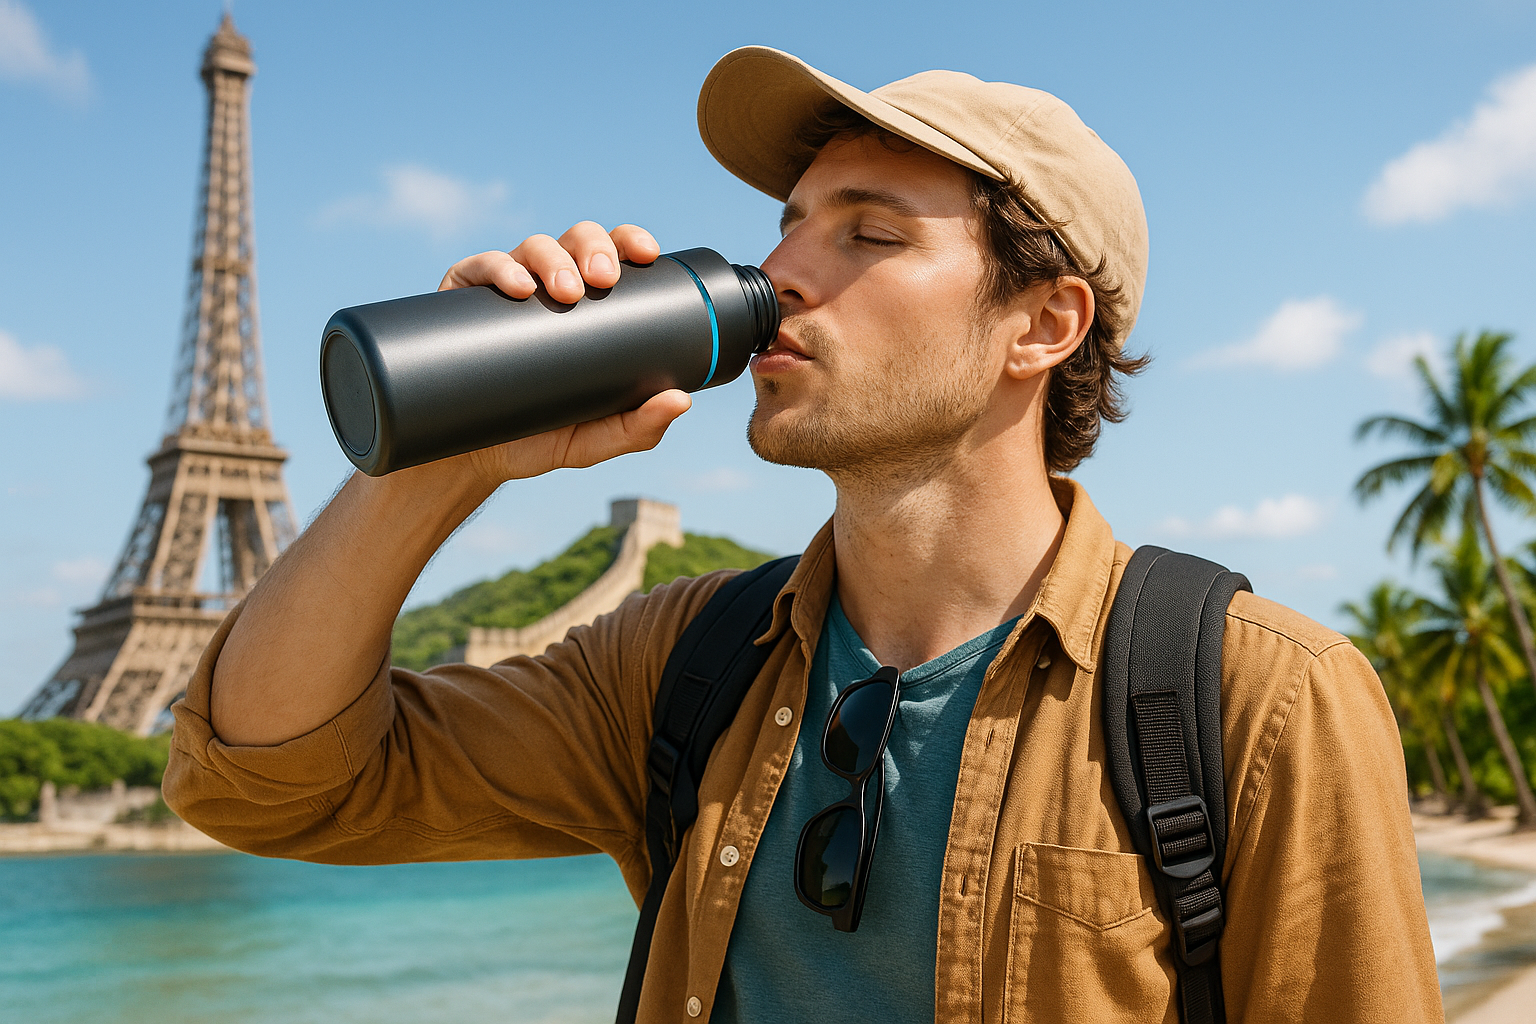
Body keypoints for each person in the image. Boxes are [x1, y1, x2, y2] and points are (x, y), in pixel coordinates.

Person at [163, 46, 1441, 1023]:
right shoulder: (684, 663)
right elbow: (273, 782)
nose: (783, 275)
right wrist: (440, 466)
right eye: (788, 224)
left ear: (1043, 325)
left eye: (868, 235)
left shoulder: (1256, 702)